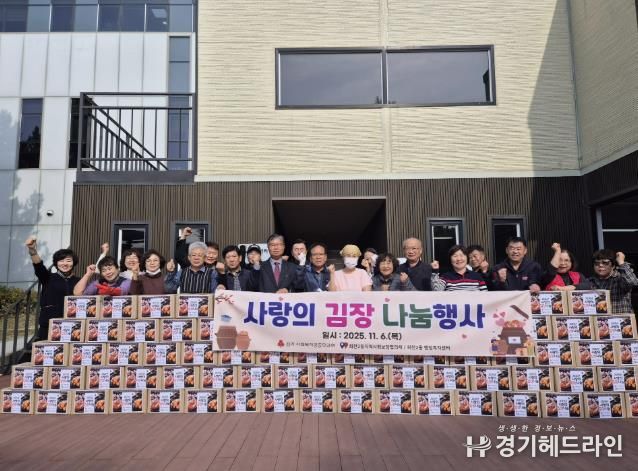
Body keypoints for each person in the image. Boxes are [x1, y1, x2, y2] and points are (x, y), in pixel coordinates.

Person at [25, 237, 80, 340]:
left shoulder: (78, 281)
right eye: (61, 261)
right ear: (56, 263)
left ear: (74, 263)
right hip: (49, 324)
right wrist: (32, 251)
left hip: (73, 324)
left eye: (68, 261)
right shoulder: (48, 277)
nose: (65, 264)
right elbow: (39, 266)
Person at [588, 249, 638, 313]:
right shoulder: (590, 281)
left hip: (621, 318)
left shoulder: (620, 278)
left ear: (613, 266)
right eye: (596, 263)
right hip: (600, 318)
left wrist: (621, 263)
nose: (600, 265)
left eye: (605, 263)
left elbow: (633, 282)